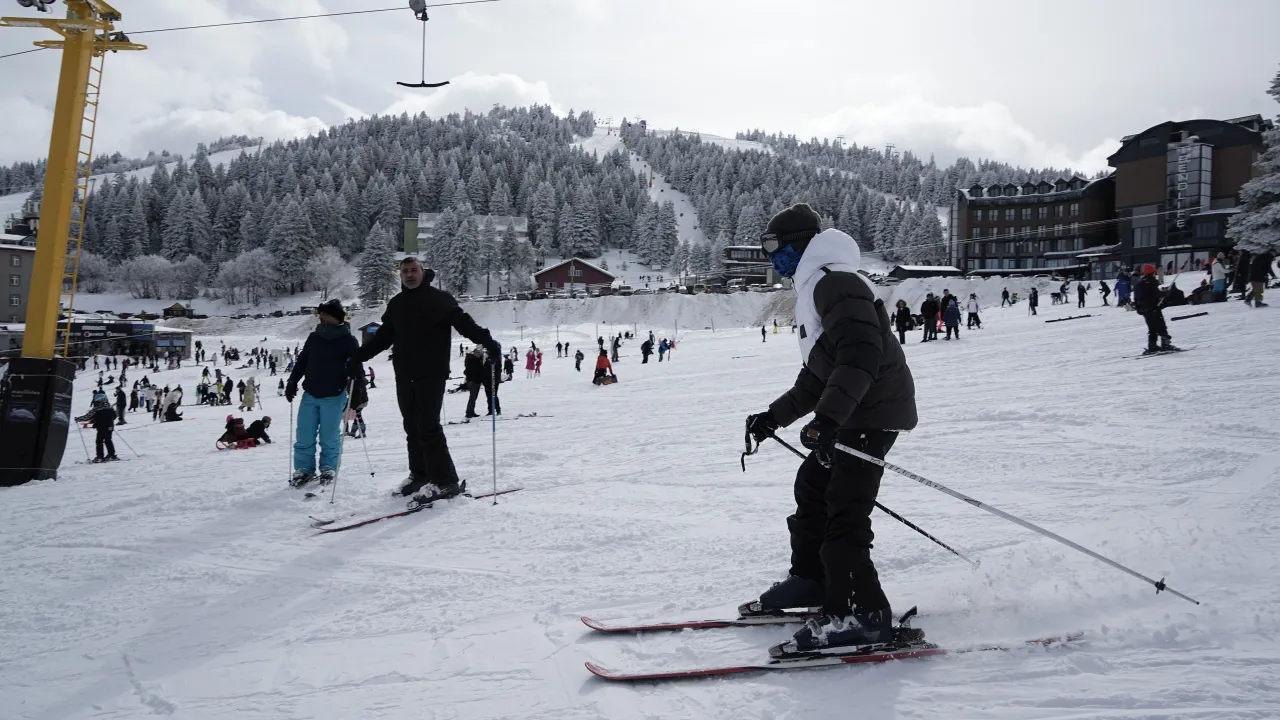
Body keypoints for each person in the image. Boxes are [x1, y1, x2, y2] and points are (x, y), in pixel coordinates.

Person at [743, 203, 918, 656]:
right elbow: (820, 372)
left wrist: (828, 421)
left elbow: (861, 356)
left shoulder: (834, 283)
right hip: (856, 410)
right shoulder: (820, 285)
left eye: (772, 246)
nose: (769, 257)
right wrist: (774, 417)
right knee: (814, 484)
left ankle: (861, 613)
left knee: (844, 507)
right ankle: (815, 580)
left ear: (798, 244)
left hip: (871, 411)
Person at [353, 257, 500, 502]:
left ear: (423, 273)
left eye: (413, 270)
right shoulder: (397, 303)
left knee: (428, 426)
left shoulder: (439, 299)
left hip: (431, 372)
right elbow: (382, 338)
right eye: (404, 272)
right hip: (404, 373)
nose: (409, 275)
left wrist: (487, 341)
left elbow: (464, 324)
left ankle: (445, 481)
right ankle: (419, 475)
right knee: (411, 427)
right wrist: (357, 357)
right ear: (400, 276)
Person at [286, 299, 368, 487]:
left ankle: (328, 468)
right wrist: (292, 380)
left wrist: (357, 391)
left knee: (329, 436)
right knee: (304, 434)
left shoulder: (348, 340)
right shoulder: (314, 337)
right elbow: (303, 360)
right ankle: (304, 469)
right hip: (310, 394)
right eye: (320, 315)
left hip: (334, 395)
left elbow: (357, 368)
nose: (322, 318)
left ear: (337, 317)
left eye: (326, 315)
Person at [1134, 264, 1178, 354]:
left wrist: (1138, 308)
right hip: (1153, 308)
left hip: (1144, 310)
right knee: (1161, 326)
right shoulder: (1152, 281)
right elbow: (1156, 294)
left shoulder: (1140, 283)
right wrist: (1166, 293)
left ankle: (1152, 345)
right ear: (1152, 272)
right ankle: (1165, 344)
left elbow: (1136, 297)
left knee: (1152, 328)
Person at [90, 396, 119, 462]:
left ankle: (100, 457)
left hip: (101, 427)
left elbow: (89, 416)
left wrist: (78, 419)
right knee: (108, 440)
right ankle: (111, 455)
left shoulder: (97, 408)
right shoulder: (109, 407)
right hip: (110, 427)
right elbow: (114, 416)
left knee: (99, 441)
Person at [463, 346, 485, 419]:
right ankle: (469, 412)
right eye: (478, 353)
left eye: (480, 353)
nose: (479, 354)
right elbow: (474, 370)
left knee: (474, 397)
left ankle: (471, 411)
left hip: (477, 380)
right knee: (472, 397)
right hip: (473, 381)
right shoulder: (472, 360)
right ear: (474, 353)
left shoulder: (476, 360)